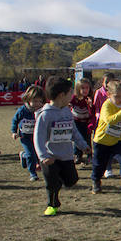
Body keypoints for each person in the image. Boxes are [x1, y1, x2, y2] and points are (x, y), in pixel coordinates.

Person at [33, 77, 91, 216]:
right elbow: (38, 137)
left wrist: (83, 145)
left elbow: (73, 132)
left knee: (71, 180)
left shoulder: (66, 111)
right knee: (52, 184)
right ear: (61, 95)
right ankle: (52, 205)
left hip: (65, 155)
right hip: (49, 157)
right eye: (70, 93)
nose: (72, 96)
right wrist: (43, 156)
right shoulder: (45, 115)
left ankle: (57, 182)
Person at [90, 81, 121, 193]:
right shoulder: (107, 105)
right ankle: (96, 181)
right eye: (117, 96)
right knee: (99, 164)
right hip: (102, 141)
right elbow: (109, 120)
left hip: (116, 139)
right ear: (109, 95)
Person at [11, 85, 46, 181]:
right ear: (28, 99)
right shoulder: (22, 110)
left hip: (37, 136)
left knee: (36, 153)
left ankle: (23, 156)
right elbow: (15, 120)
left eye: (40, 101)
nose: (37, 104)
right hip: (25, 137)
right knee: (31, 155)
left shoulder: (42, 110)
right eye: (35, 101)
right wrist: (14, 131)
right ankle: (33, 173)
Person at [69, 78, 95, 164]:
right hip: (76, 120)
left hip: (86, 121)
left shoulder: (89, 98)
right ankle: (77, 155)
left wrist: (90, 105)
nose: (85, 90)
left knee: (87, 138)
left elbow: (92, 112)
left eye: (87, 88)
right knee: (77, 137)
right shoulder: (74, 98)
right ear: (78, 89)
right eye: (82, 88)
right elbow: (69, 104)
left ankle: (89, 155)